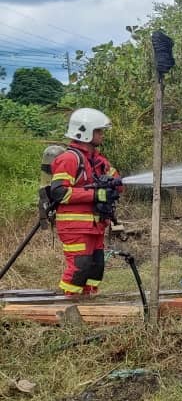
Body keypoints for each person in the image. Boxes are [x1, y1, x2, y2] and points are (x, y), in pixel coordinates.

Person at [48, 108, 122, 297]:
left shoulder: (97, 161)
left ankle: (87, 305)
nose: (102, 135)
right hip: (74, 226)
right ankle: (67, 308)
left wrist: (113, 184)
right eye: (99, 131)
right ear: (86, 132)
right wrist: (96, 195)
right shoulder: (69, 159)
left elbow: (118, 183)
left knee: (96, 269)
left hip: (95, 225)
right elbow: (59, 192)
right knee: (80, 268)